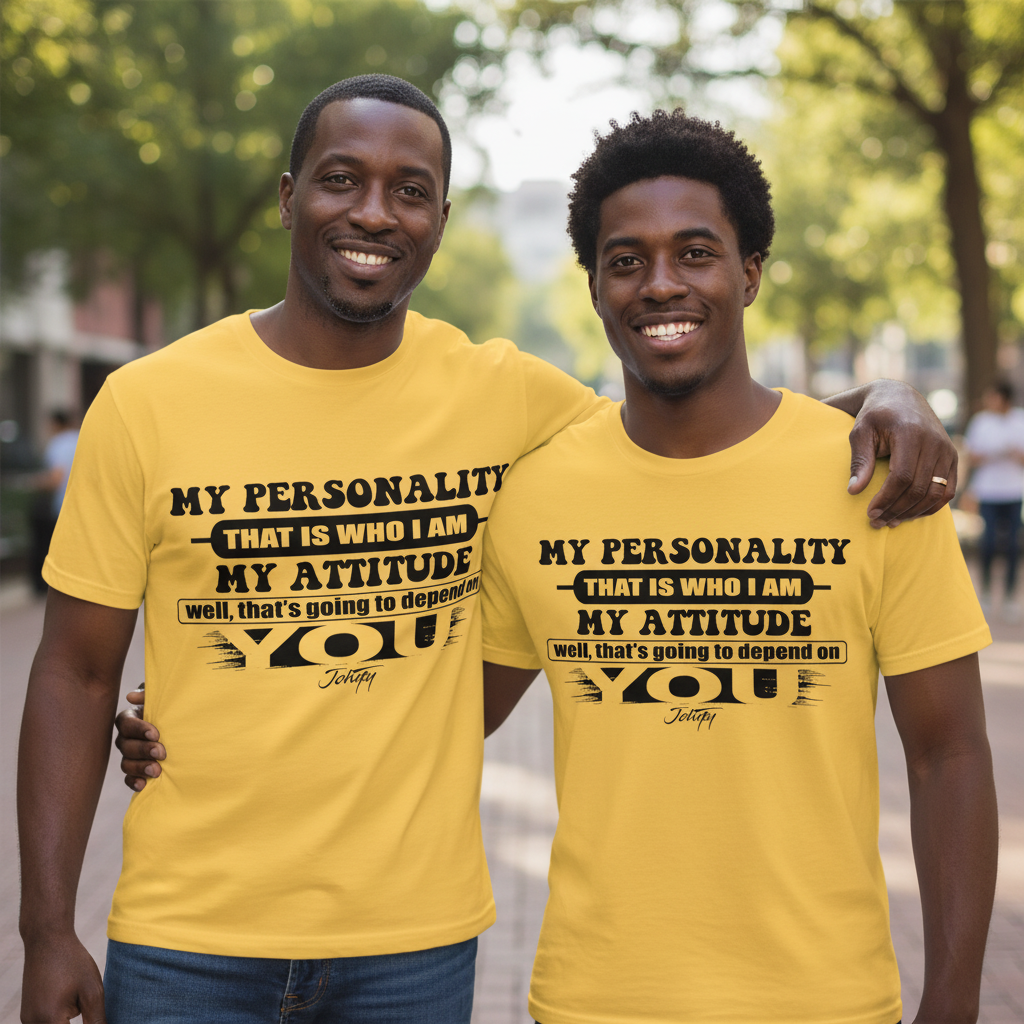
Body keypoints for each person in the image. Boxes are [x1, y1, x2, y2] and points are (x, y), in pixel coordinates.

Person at [22, 74, 957, 1024]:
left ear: (440, 218)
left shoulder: (503, 395)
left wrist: (893, 400)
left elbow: (691, 412)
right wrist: (47, 930)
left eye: (411, 191)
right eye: (341, 179)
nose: (375, 213)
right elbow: (72, 671)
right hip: (187, 938)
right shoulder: (147, 402)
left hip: (413, 945)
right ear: (287, 195)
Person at [474, 111, 997, 1023]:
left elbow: (949, 754)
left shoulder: (877, 477)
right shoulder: (534, 493)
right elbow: (431, 718)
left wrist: (952, 1002)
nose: (660, 283)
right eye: (626, 260)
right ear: (595, 287)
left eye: (696, 252)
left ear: (750, 274)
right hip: (597, 1001)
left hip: (826, 1001)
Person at [965, 381, 1024, 619]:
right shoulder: (981, 422)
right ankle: (987, 593)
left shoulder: (1019, 420)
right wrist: (991, 453)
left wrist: (1012, 453)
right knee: (988, 542)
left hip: (1013, 491)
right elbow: (972, 456)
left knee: (1011, 545)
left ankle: (1010, 596)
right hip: (988, 491)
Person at [28, 410, 79, 595]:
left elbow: (56, 478)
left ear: (56, 424)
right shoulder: (79, 437)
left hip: (63, 507)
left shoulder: (57, 444)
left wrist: (34, 482)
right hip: (85, 507)